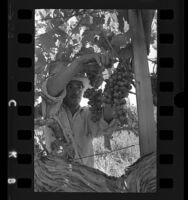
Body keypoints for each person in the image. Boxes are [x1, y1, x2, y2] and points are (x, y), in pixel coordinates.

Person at [41, 53, 118, 168]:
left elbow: (105, 124)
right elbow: (51, 91)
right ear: (63, 90)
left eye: (79, 87)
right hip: (58, 180)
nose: (76, 91)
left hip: (85, 181)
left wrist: (112, 88)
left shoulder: (88, 114)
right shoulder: (52, 110)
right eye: (70, 87)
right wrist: (78, 63)